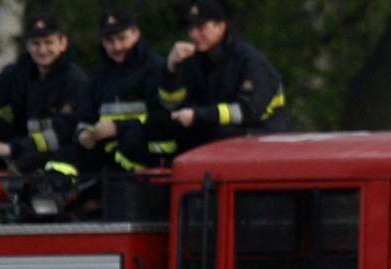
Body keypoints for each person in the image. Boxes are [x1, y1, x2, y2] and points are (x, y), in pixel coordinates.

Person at [153, 0, 290, 156]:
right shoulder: (193, 60)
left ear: (221, 28)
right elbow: (170, 105)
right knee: (159, 125)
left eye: (201, 28)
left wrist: (198, 115)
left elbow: (246, 112)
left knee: (220, 134)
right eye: (191, 29)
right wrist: (171, 70)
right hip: (216, 129)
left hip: (262, 133)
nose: (194, 35)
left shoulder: (249, 62)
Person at [44, 9, 163, 185]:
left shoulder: (155, 68)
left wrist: (118, 128)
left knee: (130, 147)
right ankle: (52, 199)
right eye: (109, 41)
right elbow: (85, 115)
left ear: (136, 34)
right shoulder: (100, 74)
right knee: (61, 158)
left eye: (122, 39)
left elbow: (161, 118)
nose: (116, 47)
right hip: (104, 147)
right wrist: (83, 134)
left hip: (140, 149)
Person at [0, 15, 87, 172]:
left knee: (29, 159)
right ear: (27, 46)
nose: (42, 50)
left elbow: (61, 134)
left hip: (55, 151)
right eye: (36, 44)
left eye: (48, 42)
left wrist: (10, 148)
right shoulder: (19, 72)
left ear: (62, 43)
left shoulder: (74, 81)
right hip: (20, 142)